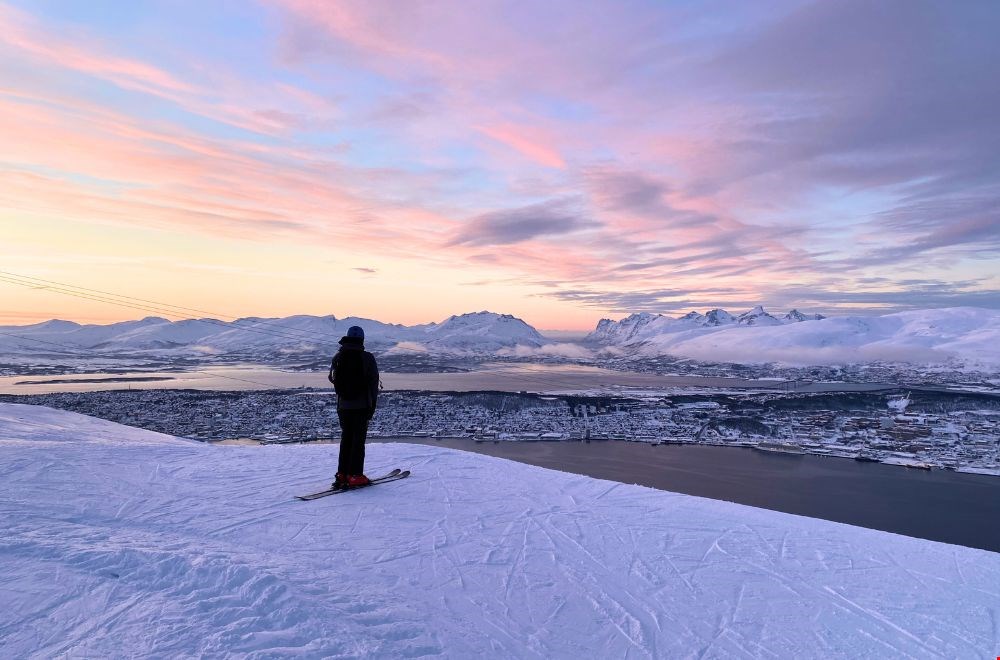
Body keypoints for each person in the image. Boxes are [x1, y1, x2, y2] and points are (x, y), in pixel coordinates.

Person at [327, 325, 379, 488]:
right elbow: (373, 385)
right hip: (361, 406)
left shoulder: (338, 357)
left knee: (346, 439)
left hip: (343, 406)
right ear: (362, 340)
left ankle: (342, 474)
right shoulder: (367, 358)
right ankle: (355, 475)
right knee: (358, 441)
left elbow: (334, 381)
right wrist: (372, 407)